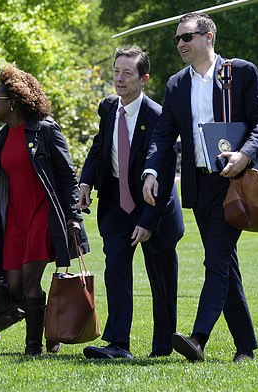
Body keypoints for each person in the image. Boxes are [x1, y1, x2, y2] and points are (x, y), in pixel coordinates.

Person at [142, 13, 258, 363]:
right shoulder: (176, 85)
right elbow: (163, 136)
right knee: (225, 263)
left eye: (186, 37)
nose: (180, 45)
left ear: (208, 36)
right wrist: (152, 171)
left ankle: (198, 338)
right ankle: (245, 347)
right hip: (200, 186)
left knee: (215, 259)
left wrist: (245, 154)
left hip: (235, 181)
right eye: (177, 39)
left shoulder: (241, 72)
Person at [0, 63, 89, 356]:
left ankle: (33, 346)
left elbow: (67, 177)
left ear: (12, 102)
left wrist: (74, 217)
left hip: (42, 214)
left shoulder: (45, 130)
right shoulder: (1, 137)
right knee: (13, 286)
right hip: (12, 218)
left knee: (29, 280)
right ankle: (51, 324)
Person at [78, 47, 184, 360]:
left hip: (156, 210)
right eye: (116, 72)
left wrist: (148, 221)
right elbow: (100, 148)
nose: (119, 79)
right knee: (116, 271)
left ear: (144, 79)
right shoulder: (109, 108)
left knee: (162, 281)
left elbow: (164, 172)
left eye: (127, 73)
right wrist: (85, 181)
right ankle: (117, 344)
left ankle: (162, 347)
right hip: (115, 208)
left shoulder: (159, 116)